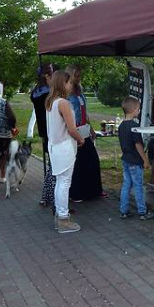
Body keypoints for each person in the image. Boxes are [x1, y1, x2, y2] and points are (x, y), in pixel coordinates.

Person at [45, 70, 85, 233]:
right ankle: (63, 218)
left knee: (60, 182)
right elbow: (72, 129)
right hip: (64, 146)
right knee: (64, 183)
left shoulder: (51, 101)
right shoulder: (63, 103)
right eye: (69, 82)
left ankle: (60, 215)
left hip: (55, 146)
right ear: (63, 83)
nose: (71, 85)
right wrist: (80, 139)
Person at [65, 65, 106, 202]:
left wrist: (91, 130)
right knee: (79, 163)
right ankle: (77, 193)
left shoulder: (80, 92)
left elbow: (85, 113)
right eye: (76, 75)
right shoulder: (67, 95)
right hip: (74, 130)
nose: (79, 78)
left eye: (79, 75)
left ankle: (95, 191)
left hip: (84, 129)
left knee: (92, 160)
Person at [118, 97, 154, 220]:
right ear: (134, 110)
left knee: (126, 185)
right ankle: (142, 211)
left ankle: (124, 210)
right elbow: (138, 145)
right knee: (138, 186)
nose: (139, 111)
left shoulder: (121, 126)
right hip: (135, 161)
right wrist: (145, 160)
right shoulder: (134, 126)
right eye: (138, 109)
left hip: (125, 159)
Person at [30, 63, 55, 207]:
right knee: (54, 166)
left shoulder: (36, 91)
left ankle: (46, 196)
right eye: (52, 74)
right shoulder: (48, 93)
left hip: (44, 130)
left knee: (51, 165)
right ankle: (50, 196)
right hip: (52, 129)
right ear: (47, 76)